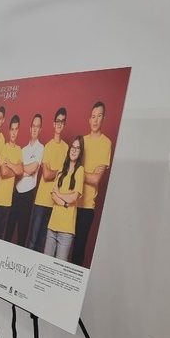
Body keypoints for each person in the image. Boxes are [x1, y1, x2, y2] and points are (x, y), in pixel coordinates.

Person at [72, 102, 111, 267]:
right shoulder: (82, 141)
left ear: (103, 119)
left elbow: (96, 179)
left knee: (78, 251)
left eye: (99, 116)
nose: (95, 120)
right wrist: (86, 173)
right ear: (89, 119)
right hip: (71, 201)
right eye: (93, 116)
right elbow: (71, 169)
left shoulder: (106, 143)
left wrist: (79, 172)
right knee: (63, 248)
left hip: (87, 207)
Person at [28, 108, 69, 252]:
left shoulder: (67, 148)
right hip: (41, 201)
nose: (59, 123)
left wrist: (55, 171)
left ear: (64, 124)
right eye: (58, 120)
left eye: (62, 121)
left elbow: (65, 176)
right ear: (53, 123)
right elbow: (46, 174)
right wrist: (59, 171)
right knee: (32, 241)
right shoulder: (47, 147)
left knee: (42, 244)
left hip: (55, 203)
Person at [5, 114, 44, 246]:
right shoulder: (22, 150)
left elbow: (32, 169)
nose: (35, 129)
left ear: (40, 129)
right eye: (33, 126)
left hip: (28, 194)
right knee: (9, 230)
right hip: (16, 192)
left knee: (22, 233)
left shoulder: (41, 148)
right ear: (30, 128)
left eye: (37, 126)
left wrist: (18, 168)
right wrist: (21, 170)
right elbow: (17, 172)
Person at [44, 136, 85, 261]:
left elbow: (74, 197)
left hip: (66, 230)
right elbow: (53, 195)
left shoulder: (80, 170)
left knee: (58, 268)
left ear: (80, 152)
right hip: (52, 225)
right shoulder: (62, 169)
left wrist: (60, 195)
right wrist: (65, 203)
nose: (74, 150)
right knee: (45, 264)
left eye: (78, 148)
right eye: (73, 147)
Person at [0, 115, 23, 239]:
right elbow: (3, 172)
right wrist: (16, 169)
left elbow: (21, 171)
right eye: (12, 129)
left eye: (16, 129)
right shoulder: (3, 148)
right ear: (9, 131)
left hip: (8, 203)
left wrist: (11, 165)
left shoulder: (19, 150)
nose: (14, 132)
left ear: (18, 131)